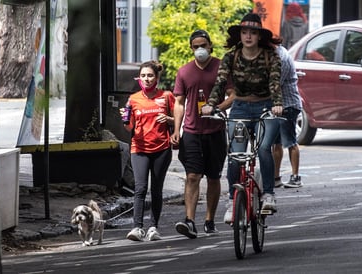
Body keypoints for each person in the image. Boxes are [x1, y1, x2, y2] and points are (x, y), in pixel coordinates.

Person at [202, 13, 283, 222]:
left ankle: (268, 195)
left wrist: (277, 104)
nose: (248, 36)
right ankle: (232, 199)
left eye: (253, 33)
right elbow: (220, 83)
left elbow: (275, 83)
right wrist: (211, 105)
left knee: (264, 148)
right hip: (240, 109)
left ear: (259, 36)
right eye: (244, 32)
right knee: (236, 155)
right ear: (240, 35)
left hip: (266, 107)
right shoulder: (231, 56)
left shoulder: (270, 56)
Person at [171, 30, 228, 239]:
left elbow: (233, 95)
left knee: (214, 177)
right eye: (196, 46)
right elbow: (179, 103)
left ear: (210, 46)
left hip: (216, 130)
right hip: (192, 131)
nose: (200, 49)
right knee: (192, 175)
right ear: (191, 48)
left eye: (203, 45)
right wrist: (176, 130)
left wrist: (217, 108)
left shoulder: (221, 67)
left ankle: (209, 220)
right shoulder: (184, 72)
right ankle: (189, 220)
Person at [121, 60, 174, 241]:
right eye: (143, 75)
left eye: (150, 75)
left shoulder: (166, 96)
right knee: (140, 188)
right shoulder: (133, 99)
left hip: (162, 149)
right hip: (139, 149)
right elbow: (129, 128)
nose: (147, 79)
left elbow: (178, 120)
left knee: (156, 190)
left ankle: (153, 227)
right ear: (139, 78)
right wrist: (125, 120)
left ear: (157, 77)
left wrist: (168, 118)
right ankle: (137, 228)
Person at [273, 45, 303, 188]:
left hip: (288, 105)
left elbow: (275, 83)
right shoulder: (276, 54)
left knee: (290, 141)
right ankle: (276, 177)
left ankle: (295, 177)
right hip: (278, 106)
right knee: (276, 143)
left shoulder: (282, 58)